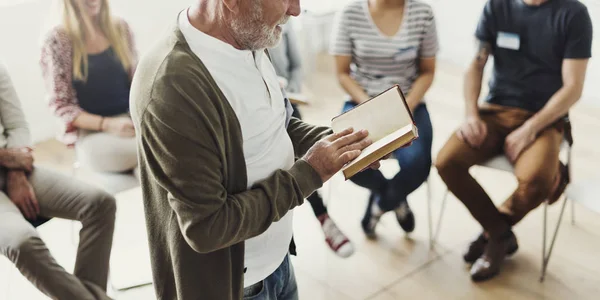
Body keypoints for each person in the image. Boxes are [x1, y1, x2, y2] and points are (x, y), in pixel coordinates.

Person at [129, 0, 383, 299]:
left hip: (279, 263)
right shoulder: (173, 87)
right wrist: (311, 172)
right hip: (237, 287)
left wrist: (341, 144)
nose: (296, 10)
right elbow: (207, 227)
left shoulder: (249, 38)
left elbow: (279, 124)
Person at [435, 0, 592, 282]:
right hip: (495, 111)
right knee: (447, 161)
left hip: (544, 119)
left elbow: (573, 87)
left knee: (536, 181)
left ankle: (492, 235)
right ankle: (499, 234)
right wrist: (471, 114)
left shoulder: (573, 14)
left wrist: (531, 127)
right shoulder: (497, 6)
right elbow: (476, 65)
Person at [0, 61, 116, 300]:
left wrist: (15, 173)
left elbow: (17, 126)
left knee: (100, 203)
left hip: (12, 167)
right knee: (23, 242)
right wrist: (8, 158)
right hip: (9, 159)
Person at [330, 0, 438, 238]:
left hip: (410, 103)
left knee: (418, 163)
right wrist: (371, 105)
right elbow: (342, 72)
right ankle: (394, 198)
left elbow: (428, 71)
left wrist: (403, 107)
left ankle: (379, 205)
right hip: (362, 102)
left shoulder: (423, 13)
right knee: (352, 163)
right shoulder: (350, 14)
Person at [269, 22, 354, 258]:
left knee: (300, 160)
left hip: (287, 104)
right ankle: (321, 218)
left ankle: (323, 218)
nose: (294, 10)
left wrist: (288, 89)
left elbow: (296, 67)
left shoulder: (284, 25)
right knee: (289, 169)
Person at [40, 0, 138, 174]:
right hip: (93, 132)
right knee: (152, 151)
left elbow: (138, 82)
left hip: (131, 120)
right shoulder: (57, 40)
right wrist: (107, 124)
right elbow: (61, 105)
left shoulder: (121, 28)